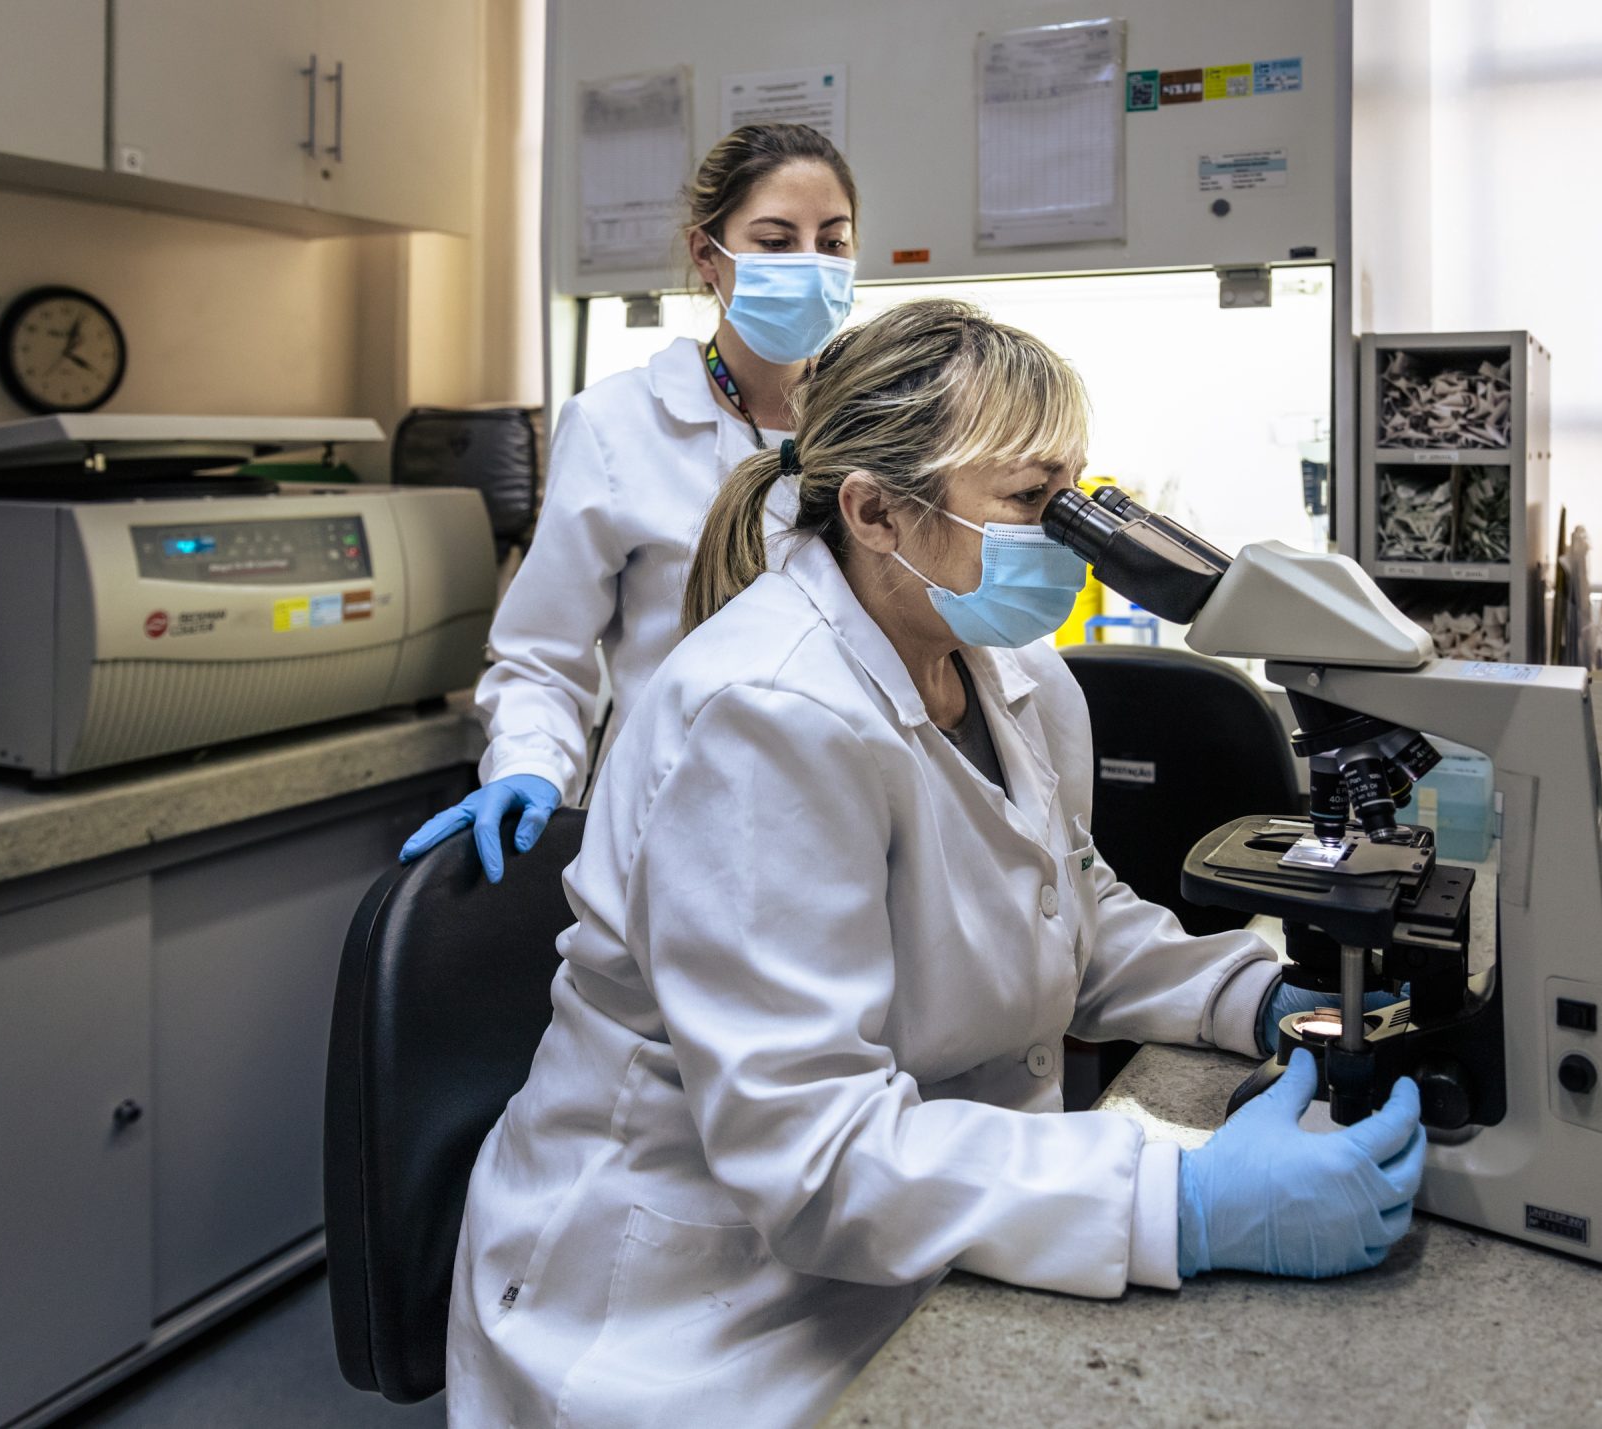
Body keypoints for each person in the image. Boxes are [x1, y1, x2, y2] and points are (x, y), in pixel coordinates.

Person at [444, 300, 1425, 1428]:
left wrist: (1255, 997)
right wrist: (1181, 1201)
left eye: (1075, 491)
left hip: (928, 1225)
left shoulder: (1012, 673)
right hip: (702, 1308)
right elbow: (812, 1157)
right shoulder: (762, 716)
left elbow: (1069, 907)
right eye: (1028, 499)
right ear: (875, 512)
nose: (1070, 532)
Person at [399, 123, 860, 881]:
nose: (811, 265)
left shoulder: (883, 426)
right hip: (672, 824)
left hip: (847, 812)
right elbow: (543, 654)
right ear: (707, 256)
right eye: (776, 242)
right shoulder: (618, 425)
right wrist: (531, 762)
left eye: (833, 241)